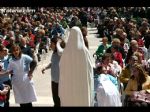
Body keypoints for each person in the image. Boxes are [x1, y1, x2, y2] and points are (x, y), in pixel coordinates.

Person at [59, 26, 94, 106]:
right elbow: (89, 68)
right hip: (82, 83)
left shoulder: (66, 52)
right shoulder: (84, 51)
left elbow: (61, 66)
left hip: (69, 83)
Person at [41, 36, 65, 107]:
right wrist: (45, 67)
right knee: (55, 99)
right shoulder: (54, 53)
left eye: (51, 43)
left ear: (56, 44)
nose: (50, 45)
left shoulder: (61, 53)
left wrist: (58, 43)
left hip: (60, 81)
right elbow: (52, 63)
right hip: (54, 80)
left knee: (59, 100)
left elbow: (60, 52)